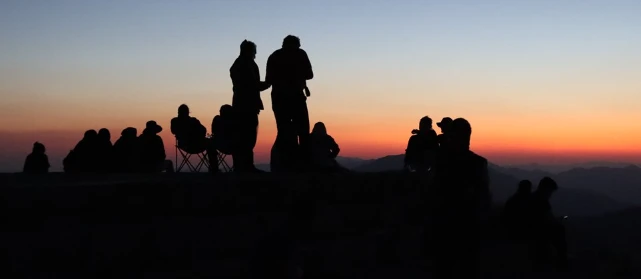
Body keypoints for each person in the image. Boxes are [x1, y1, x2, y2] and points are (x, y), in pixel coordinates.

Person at [426, 118, 491, 279]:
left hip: (445, 226)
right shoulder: (478, 163)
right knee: (467, 268)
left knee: (444, 268)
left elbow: (432, 193)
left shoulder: (439, 161)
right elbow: (484, 198)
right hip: (469, 227)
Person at [266, 35, 314, 171]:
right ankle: (304, 165)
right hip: (296, 98)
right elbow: (310, 74)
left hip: (279, 99)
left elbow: (269, 79)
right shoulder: (300, 54)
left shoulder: (274, 56)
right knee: (303, 132)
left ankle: (283, 165)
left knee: (283, 132)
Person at [230, 40, 270, 172]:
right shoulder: (246, 64)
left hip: (241, 104)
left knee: (243, 136)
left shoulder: (238, 64)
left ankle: (241, 165)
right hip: (247, 105)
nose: (255, 54)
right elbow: (253, 85)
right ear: (249, 51)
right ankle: (246, 166)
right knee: (248, 136)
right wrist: (268, 83)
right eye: (254, 52)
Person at [529, 177, 568, 270]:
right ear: (545, 189)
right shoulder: (542, 201)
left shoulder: (532, 197)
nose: (550, 195)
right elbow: (547, 218)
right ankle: (562, 261)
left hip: (532, 228)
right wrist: (557, 221)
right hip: (536, 230)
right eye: (550, 191)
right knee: (560, 229)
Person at [170, 104, 217, 172]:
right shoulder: (192, 120)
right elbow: (203, 130)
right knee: (210, 143)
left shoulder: (175, 121)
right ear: (188, 112)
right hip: (191, 144)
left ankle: (214, 167)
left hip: (187, 144)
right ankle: (214, 168)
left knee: (210, 142)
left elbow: (173, 131)